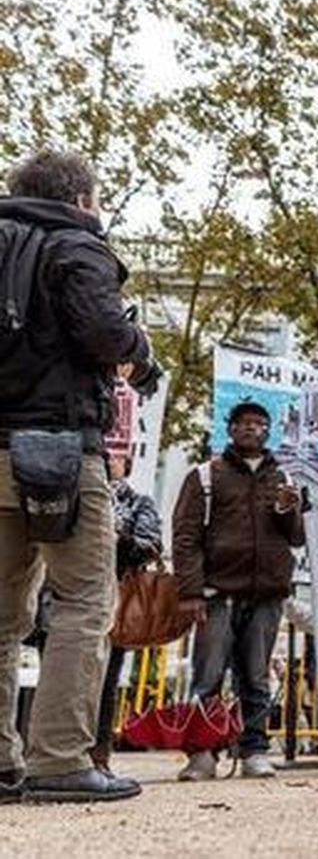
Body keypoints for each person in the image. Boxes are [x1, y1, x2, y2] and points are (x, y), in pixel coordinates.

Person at [0, 150, 160, 803]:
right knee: (85, 600)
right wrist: (140, 351)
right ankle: (60, 758)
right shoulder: (76, 244)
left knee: (1, 614)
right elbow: (105, 332)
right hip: (62, 448)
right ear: (82, 199)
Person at [171, 401, 306, 781]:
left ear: (268, 432)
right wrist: (190, 591)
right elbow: (185, 536)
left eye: (259, 423)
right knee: (208, 676)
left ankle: (254, 751)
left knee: (257, 677)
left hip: (267, 593)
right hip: (216, 592)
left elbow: (297, 536)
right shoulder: (205, 475)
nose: (251, 428)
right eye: (243, 422)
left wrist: (287, 510)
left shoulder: (284, 478)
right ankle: (202, 754)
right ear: (229, 429)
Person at [92, 451, 162, 776]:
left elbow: (151, 546)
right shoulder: (72, 493)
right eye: (104, 453)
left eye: (117, 455)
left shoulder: (138, 503)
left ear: (128, 463)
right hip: (61, 599)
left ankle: (97, 755)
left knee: (105, 681)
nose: (109, 460)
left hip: (116, 601)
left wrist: (119, 538)